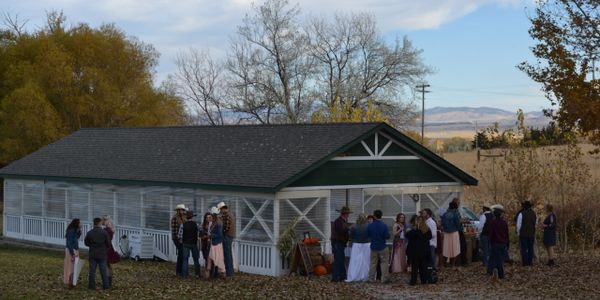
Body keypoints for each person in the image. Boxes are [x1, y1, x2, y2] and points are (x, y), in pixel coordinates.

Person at [85, 217, 111, 290]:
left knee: (92, 271)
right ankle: (106, 286)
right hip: (102, 254)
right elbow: (108, 243)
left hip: (93, 254)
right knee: (103, 271)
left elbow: (86, 243)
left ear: (94, 223)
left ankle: (91, 286)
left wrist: (92, 245)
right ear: (99, 223)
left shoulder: (89, 233)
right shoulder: (104, 233)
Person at [405, 216, 432, 285]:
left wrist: (412, 230)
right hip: (424, 251)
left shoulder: (415, 230)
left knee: (415, 267)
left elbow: (407, 236)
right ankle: (424, 280)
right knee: (423, 267)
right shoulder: (427, 230)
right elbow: (430, 237)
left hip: (415, 252)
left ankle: (413, 281)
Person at [367, 209, 390, 283]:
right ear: (381, 216)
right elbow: (387, 236)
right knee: (384, 263)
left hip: (373, 246)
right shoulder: (384, 225)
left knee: (373, 263)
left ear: (374, 216)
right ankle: (384, 279)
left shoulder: (370, 225)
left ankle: (371, 278)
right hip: (382, 246)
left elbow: (368, 235)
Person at [345, 214, 370, 282]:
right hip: (366, 244)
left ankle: (354, 275)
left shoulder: (354, 226)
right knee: (366, 260)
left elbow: (351, 236)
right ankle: (365, 275)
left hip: (357, 244)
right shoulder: (368, 226)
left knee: (355, 260)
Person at [178, 210, 201, 278]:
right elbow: (200, 233)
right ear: (192, 217)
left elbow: (179, 236)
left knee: (185, 259)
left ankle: (184, 275)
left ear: (186, 217)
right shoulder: (196, 225)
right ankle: (197, 274)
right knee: (196, 259)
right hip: (194, 243)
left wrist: (182, 241)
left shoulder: (183, 225)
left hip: (185, 243)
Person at [331, 206, 351, 282]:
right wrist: (348, 229)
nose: (348, 215)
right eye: (347, 214)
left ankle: (342, 276)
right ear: (345, 214)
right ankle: (335, 277)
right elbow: (340, 232)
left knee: (341, 259)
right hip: (337, 243)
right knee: (338, 260)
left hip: (340, 243)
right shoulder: (338, 221)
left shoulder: (342, 221)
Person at [488, 205, 509, 279]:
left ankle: (499, 274)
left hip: (495, 243)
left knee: (496, 259)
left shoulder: (493, 223)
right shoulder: (504, 223)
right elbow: (507, 234)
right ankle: (495, 272)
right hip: (503, 243)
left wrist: (490, 242)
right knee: (500, 259)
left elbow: (491, 233)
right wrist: (507, 243)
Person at [206, 207, 226, 279]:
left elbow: (220, 234)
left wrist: (211, 235)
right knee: (212, 258)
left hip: (216, 243)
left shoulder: (218, 223)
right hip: (214, 243)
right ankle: (214, 273)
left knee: (216, 258)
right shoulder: (215, 221)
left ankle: (220, 273)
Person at [218, 201, 236, 277]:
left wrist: (221, 233)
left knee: (227, 255)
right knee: (229, 255)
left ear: (223, 209)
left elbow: (226, 227)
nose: (220, 211)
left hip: (227, 236)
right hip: (230, 236)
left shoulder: (227, 216)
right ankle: (230, 272)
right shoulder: (230, 215)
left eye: (220, 210)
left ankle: (229, 272)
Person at [102, 216, 120, 287]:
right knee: (108, 265)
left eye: (102, 220)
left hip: (107, 249)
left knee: (106, 265)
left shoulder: (107, 230)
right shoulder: (109, 230)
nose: (101, 222)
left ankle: (108, 281)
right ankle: (109, 280)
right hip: (109, 248)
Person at [516, 200, 536, 266]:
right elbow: (536, 223)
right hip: (531, 234)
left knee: (524, 249)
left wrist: (518, 233)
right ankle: (530, 262)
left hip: (523, 234)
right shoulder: (534, 213)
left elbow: (518, 225)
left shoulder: (521, 214)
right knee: (530, 248)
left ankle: (525, 263)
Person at [442, 201, 462, 267]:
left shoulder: (444, 214)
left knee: (446, 249)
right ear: (455, 207)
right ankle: (453, 264)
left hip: (446, 233)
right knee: (455, 249)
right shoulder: (455, 214)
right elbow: (458, 224)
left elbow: (442, 224)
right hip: (454, 233)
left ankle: (444, 264)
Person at [64, 218, 81, 287]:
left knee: (75, 266)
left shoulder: (75, 231)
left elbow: (77, 238)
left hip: (75, 249)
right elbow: (69, 243)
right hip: (71, 250)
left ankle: (73, 280)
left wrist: (79, 230)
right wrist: (72, 253)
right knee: (70, 266)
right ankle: (69, 281)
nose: (81, 224)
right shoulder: (71, 231)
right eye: (80, 223)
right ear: (76, 224)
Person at [171, 204, 187, 276]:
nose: (182, 211)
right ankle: (178, 271)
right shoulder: (175, 218)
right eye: (180, 210)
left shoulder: (184, 218)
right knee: (181, 253)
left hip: (183, 238)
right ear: (178, 210)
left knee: (182, 254)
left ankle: (180, 270)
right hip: (177, 238)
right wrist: (178, 239)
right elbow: (174, 231)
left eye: (183, 210)